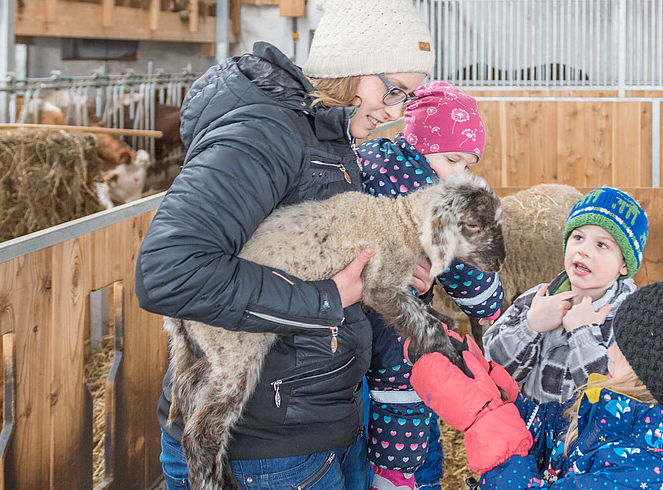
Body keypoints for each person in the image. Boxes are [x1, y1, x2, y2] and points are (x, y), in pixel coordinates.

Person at [132, 0, 439, 487]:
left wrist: (388, 276)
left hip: (319, 419)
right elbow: (170, 272)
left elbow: (305, 253)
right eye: (393, 88)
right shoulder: (264, 133)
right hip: (264, 447)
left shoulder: (327, 135)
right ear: (349, 65)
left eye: (409, 97)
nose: (397, 110)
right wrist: (327, 299)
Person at [412, 280, 663, 488]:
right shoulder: (622, 412)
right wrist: (502, 394)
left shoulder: (647, 470)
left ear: (649, 374)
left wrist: (487, 424)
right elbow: (558, 431)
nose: (607, 350)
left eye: (619, 345)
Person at [355, 81, 502, 490]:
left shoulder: (368, 155)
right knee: (405, 383)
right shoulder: (434, 195)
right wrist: (489, 304)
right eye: (453, 159)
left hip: (341, 314)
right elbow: (464, 270)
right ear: (419, 144)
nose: (460, 173)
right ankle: (395, 474)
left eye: (467, 166)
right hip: (390, 314)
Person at [482, 187, 647, 404]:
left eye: (602, 245)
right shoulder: (538, 298)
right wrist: (529, 326)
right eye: (578, 237)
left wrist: (582, 334)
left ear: (624, 264)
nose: (583, 250)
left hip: (586, 436)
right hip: (533, 433)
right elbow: (493, 370)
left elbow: (612, 401)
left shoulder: (632, 321)